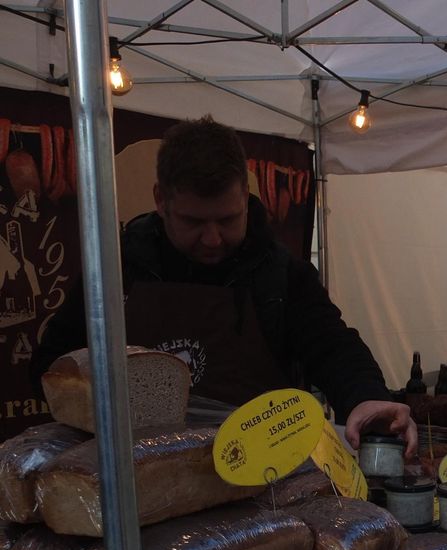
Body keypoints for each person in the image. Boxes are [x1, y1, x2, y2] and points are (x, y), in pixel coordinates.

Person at [29, 116, 416, 456]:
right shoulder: (116, 271)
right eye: (194, 222)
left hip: (260, 485)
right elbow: (54, 366)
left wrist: (365, 397)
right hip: (142, 484)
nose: (213, 239)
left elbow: (331, 344)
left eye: (228, 219)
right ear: (160, 201)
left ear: (245, 201)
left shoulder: (280, 274)